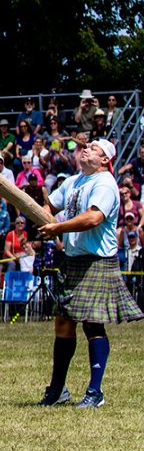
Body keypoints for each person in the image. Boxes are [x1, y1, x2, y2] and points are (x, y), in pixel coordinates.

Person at [36, 138, 143, 407]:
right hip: (72, 260)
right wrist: (46, 215)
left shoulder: (105, 183)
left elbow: (94, 218)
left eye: (94, 147)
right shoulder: (73, 181)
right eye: (87, 146)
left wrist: (58, 229)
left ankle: (95, 392)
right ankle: (58, 390)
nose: (86, 148)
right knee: (63, 323)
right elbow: (51, 205)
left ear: (106, 159)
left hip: (97, 260)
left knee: (92, 324)